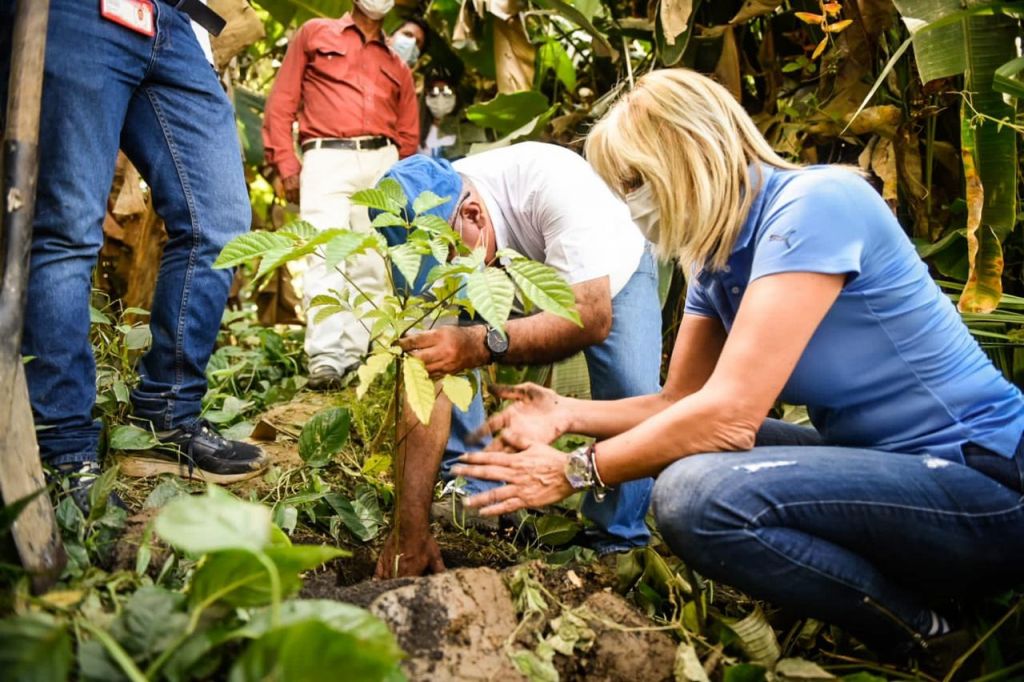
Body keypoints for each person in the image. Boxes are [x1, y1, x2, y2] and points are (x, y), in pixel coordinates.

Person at [454, 69, 1024, 657]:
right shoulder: (716, 260)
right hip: (886, 473)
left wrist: (575, 471)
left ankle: (924, 636)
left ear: (685, 156)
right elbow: (679, 404)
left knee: (694, 496)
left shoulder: (815, 205)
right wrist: (565, 411)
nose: (629, 206)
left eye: (633, 182)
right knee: (686, 447)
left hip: (984, 479)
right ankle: (917, 597)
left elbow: (728, 417)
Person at [0, 0, 267, 511]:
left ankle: (168, 409)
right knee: (69, 230)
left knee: (221, 223)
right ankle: (63, 449)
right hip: (78, 13)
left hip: (174, 22)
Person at [370, 143, 663, 578]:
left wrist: (478, 344)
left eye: (449, 258)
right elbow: (424, 381)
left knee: (631, 393)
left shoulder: (555, 184)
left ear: (472, 215)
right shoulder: (428, 234)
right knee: (440, 351)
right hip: (507, 271)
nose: (444, 271)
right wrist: (408, 531)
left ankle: (617, 541)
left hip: (605, 280)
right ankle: (477, 486)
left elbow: (589, 317)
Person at [262, 0, 419, 390]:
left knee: (372, 262)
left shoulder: (399, 66)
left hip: (383, 161)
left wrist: (405, 183)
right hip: (326, 157)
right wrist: (287, 163)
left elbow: (409, 139)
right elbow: (281, 104)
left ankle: (358, 357)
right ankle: (327, 359)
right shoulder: (316, 33)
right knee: (325, 255)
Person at [417, 74, 486, 161]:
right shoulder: (417, 128)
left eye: (447, 92)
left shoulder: (468, 123)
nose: (440, 98)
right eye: (434, 93)